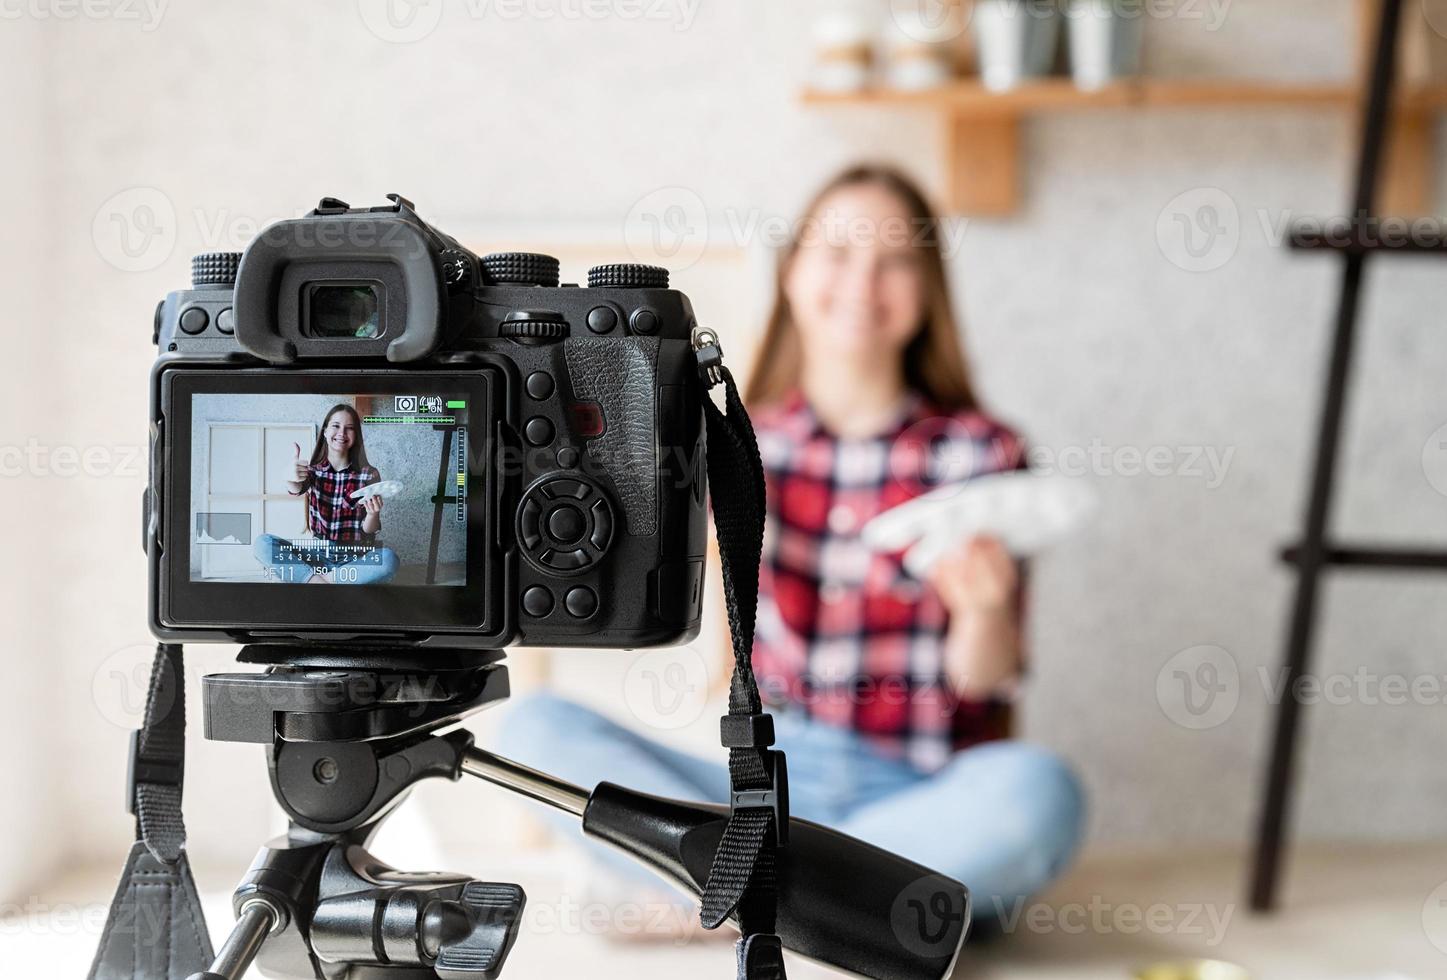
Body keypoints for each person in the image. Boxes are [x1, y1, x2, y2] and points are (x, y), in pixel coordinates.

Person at [501, 165, 1085, 934]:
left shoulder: (980, 452)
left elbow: (989, 679)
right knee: (533, 729)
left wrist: (980, 610)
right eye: (837, 252)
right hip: (762, 788)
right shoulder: (737, 443)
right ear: (793, 272)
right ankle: (859, 916)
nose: (861, 282)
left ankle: (724, 901)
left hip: (922, 785)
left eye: (894, 260)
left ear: (928, 287)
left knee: (1039, 793)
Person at [253, 403, 400, 585]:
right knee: (262, 544)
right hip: (317, 555)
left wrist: (373, 514)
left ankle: (321, 581)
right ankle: (319, 581)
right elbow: (296, 488)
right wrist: (289, 477)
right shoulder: (313, 471)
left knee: (388, 559)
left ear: (357, 435)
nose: (342, 433)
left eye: (349, 428)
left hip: (353, 559)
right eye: (336, 426)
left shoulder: (369, 474)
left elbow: (369, 530)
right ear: (324, 431)